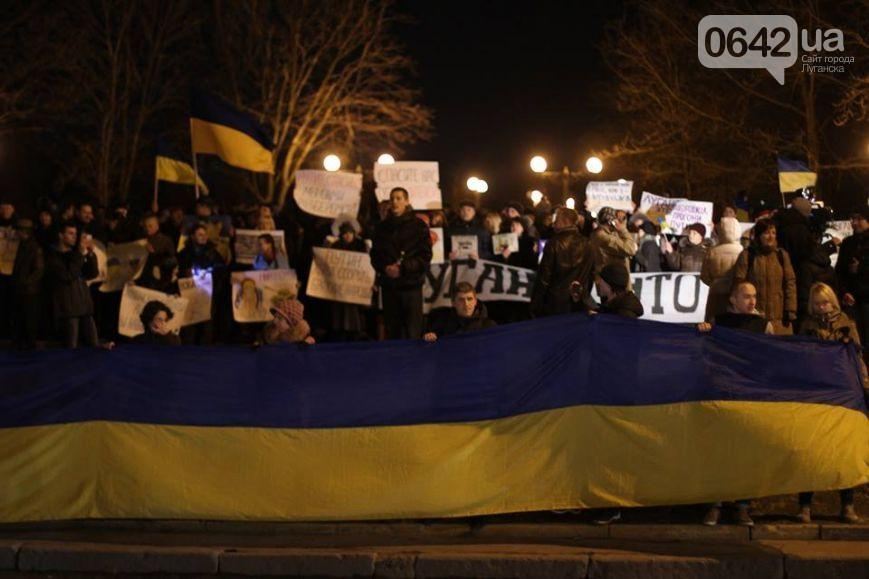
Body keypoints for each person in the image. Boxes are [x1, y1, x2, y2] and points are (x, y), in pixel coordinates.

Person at [697, 281, 773, 527]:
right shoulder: (719, 322)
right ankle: (716, 503)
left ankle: (742, 505)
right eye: (747, 296)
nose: (752, 301)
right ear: (733, 299)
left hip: (751, 395)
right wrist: (703, 332)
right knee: (721, 451)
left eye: (754, 296)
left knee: (746, 452)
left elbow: (775, 355)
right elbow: (706, 354)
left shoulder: (764, 326)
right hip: (725, 393)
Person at [795, 282, 866, 524]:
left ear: (832, 301)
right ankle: (805, 505)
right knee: (812, 450)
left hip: (842, 393)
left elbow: (857, 356)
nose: (822, 308)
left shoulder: (847, 324)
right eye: (817, 304)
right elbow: (801, 355)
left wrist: (863, 382)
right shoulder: (807, 325)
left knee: (843, 450)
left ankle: (847, 504)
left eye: (825, 302)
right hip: (816, 391)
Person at [370, 187, 432, 340]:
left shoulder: (418, 226)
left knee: (413, 331)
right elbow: (375, 255)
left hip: (411, 286)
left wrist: (403, 268)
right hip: (389, 287)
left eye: (399, 198)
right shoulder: (381, 228)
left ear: (407, 201)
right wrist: (385, 268)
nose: (395, 202)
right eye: (392, 199)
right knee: (393, 331)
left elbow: (425, 256)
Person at [732, 218, 797, 335]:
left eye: (773, 233)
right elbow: (738, 284)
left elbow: (790, 283)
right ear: (758, 235)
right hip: (755, 321)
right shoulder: (747, 255)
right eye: (766, 233)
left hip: (780, 321)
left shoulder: (781, 255)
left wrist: (790, 310)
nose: (771, 236)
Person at [45, 223, 106, 348]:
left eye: (75, 234)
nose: (74, 237)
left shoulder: (75, 254)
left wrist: (90, 255)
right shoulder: (53, 256)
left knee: (93, 347)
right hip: (68, 310)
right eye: (70, 233)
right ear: (61, 236)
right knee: (71, 349)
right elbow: (67, 275)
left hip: (84, 306)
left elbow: (91, 274)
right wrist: (79, 254)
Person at [530, 207, 591, 317]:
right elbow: (589, 275)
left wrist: (536, 305)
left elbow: (544, 278)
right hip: (578, 301)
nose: (553, 223)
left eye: (556, 219)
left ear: (564, 221)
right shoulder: (587, 243)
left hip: (554, 304)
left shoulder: (554, 244)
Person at [326, 218, 369, 341]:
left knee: (353, 309)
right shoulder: (336, 246)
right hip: (340, 286)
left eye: (349, 233)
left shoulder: (360, 245)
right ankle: (340, 331)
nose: (347, 236)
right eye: (345, 233)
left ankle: (356, 331)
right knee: (340, 309)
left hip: (355, 285)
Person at [700, 217, 743, 321]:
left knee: (714, 324)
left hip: (716, 294)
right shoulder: (742, 251)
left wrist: (715, 283)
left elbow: (704, 276)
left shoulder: (712, 252)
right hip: (737, 294)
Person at [10, 219, 45, 350]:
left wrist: (25, 282)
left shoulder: (34, 248)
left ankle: (29, 347)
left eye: (19, 230)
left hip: (29, 292)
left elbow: (39, 270)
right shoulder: (23, 246)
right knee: (19, 319)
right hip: (21, 289)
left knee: (29, 320)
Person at [835, 210, 868, 345]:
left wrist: (861, 268)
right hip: (852, 301)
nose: (854, 223)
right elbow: (839, 271)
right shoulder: (848, 243)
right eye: (852, 219)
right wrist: (844, 292)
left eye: (859, 219)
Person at [423, 282, 496, 341]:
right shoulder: (442, 324)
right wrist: (429, 339)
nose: (466, 304)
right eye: (461, 300)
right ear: (453, 303)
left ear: (475, 301)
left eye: (469, 299)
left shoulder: (489, 326)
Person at [589, 206, 638, 277]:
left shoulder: (602, 234)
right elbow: (630, 249)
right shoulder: (604, 237)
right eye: (616, 219)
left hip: (612, 280)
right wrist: (623, 230)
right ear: (611, 221)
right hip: (614, 282)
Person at [140, 213, 176, 287]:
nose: (147, 229)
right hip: (144, 280)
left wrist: (153, 254)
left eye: (150, 226)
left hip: (159, 281)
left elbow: (172, 261)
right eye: (145, 226)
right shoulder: (141, 240)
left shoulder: (165, 241)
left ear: (157, 226)